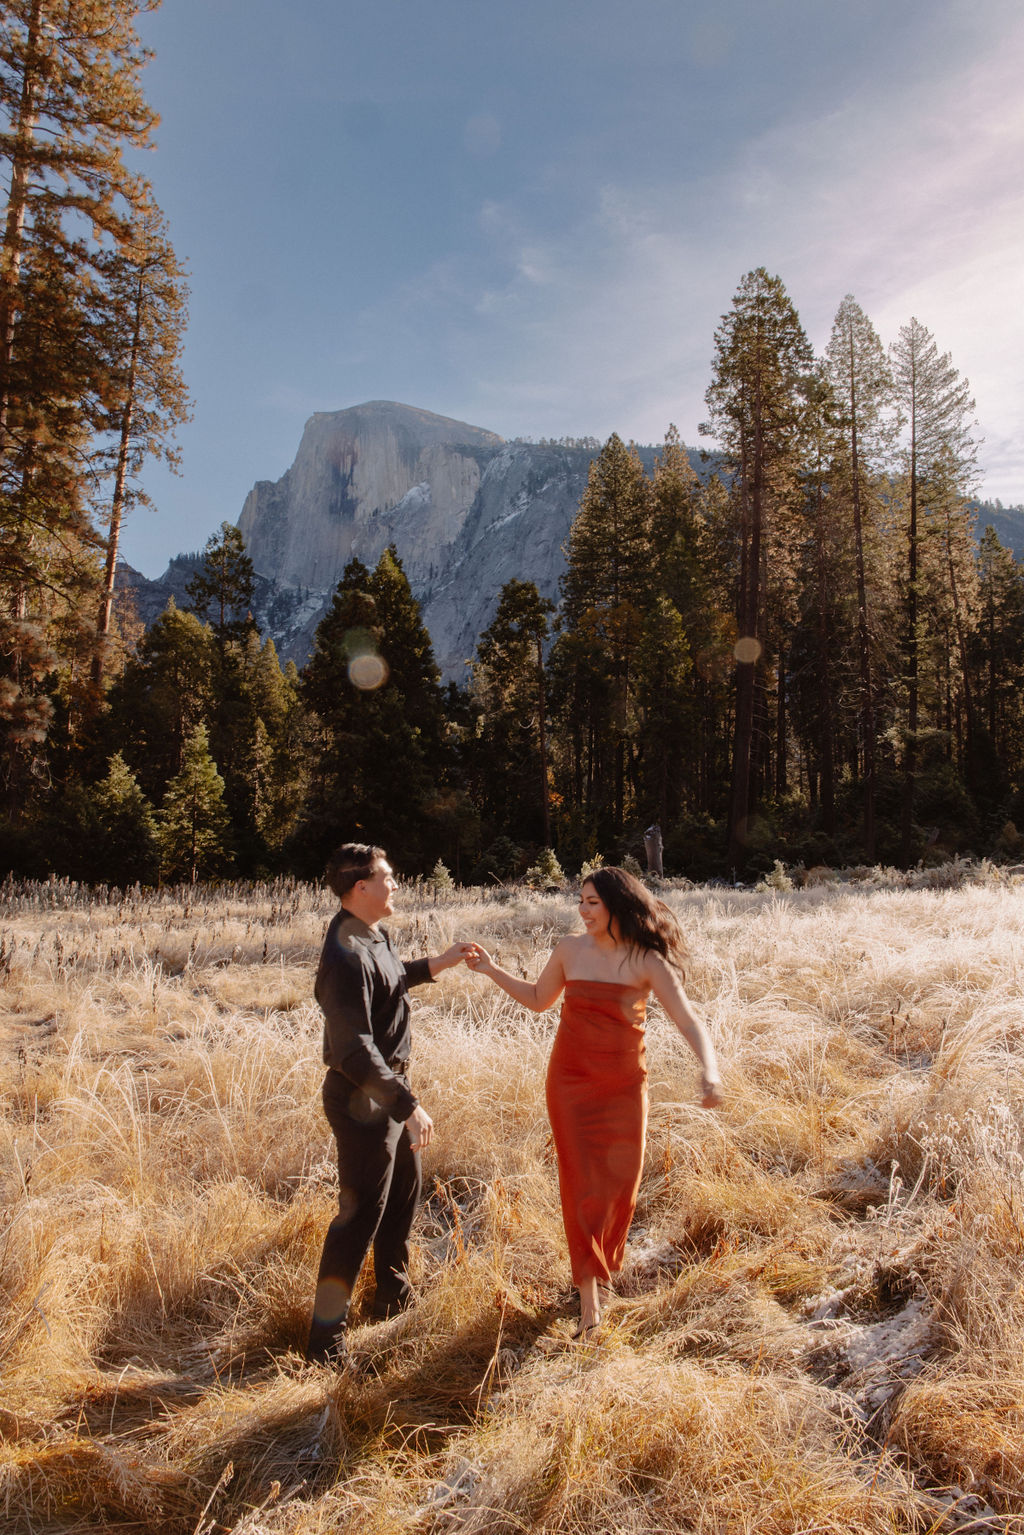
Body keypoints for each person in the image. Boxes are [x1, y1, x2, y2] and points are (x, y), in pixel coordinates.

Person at [467, 866, 722, 1335]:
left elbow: (688, 1021)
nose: (582, 911)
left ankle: (598, 1268)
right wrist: (491, 969)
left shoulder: (646, 961)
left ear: (617, 906)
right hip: (570, 1082)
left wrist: (710, 1069)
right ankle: (589, 1302)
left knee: (620, 1185)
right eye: (580, 901)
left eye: (592, 903)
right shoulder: (569, 949)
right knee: (580, 1183)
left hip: (625, 1085)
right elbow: (541, 999)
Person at [306, 842, 471, 1364]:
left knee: (402, 1198)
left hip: (387, 1096)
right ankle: (324, 1347)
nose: (395, 884)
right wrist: (406, 1104)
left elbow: (391, 980)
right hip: (364, 1102)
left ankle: (392, 1301)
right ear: (361, 887)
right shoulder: (344, 955)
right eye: (387, 877)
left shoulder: (371, 933)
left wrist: (438, 964)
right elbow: (353, 1049)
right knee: (358, 1218)